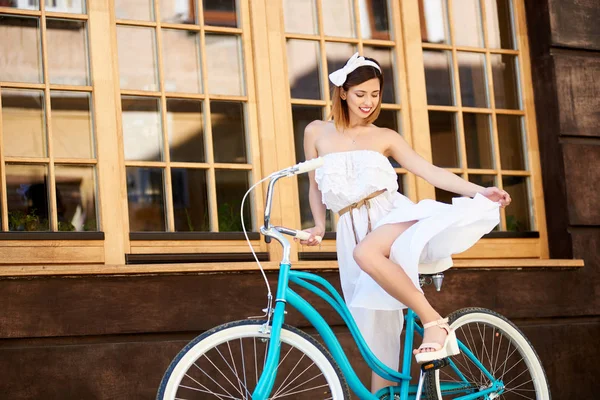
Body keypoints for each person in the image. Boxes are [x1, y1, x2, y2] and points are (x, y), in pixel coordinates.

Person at [300, 53, 511, 393]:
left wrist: (480, 191)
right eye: (360, 94)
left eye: (375, 94)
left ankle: (434, 322)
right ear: (342, 93)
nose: (368, 102)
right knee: (375, 331)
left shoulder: (385, 136)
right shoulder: (315, 132)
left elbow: (428, 171)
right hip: (349, 230)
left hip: (391, 216)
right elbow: (313, 185)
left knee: (367, 255)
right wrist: (318, 226)